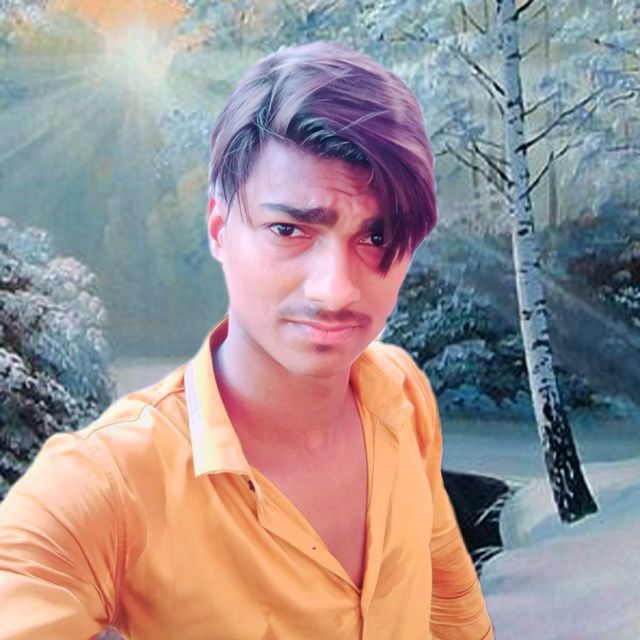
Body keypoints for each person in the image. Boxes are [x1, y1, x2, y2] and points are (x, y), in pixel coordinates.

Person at [0, 41, 494, 639]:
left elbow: (452, 609)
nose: (335, 289)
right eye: (289, 229)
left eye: (376, 238)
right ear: (219, 228)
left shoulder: (403, 394)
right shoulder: (107, 479)